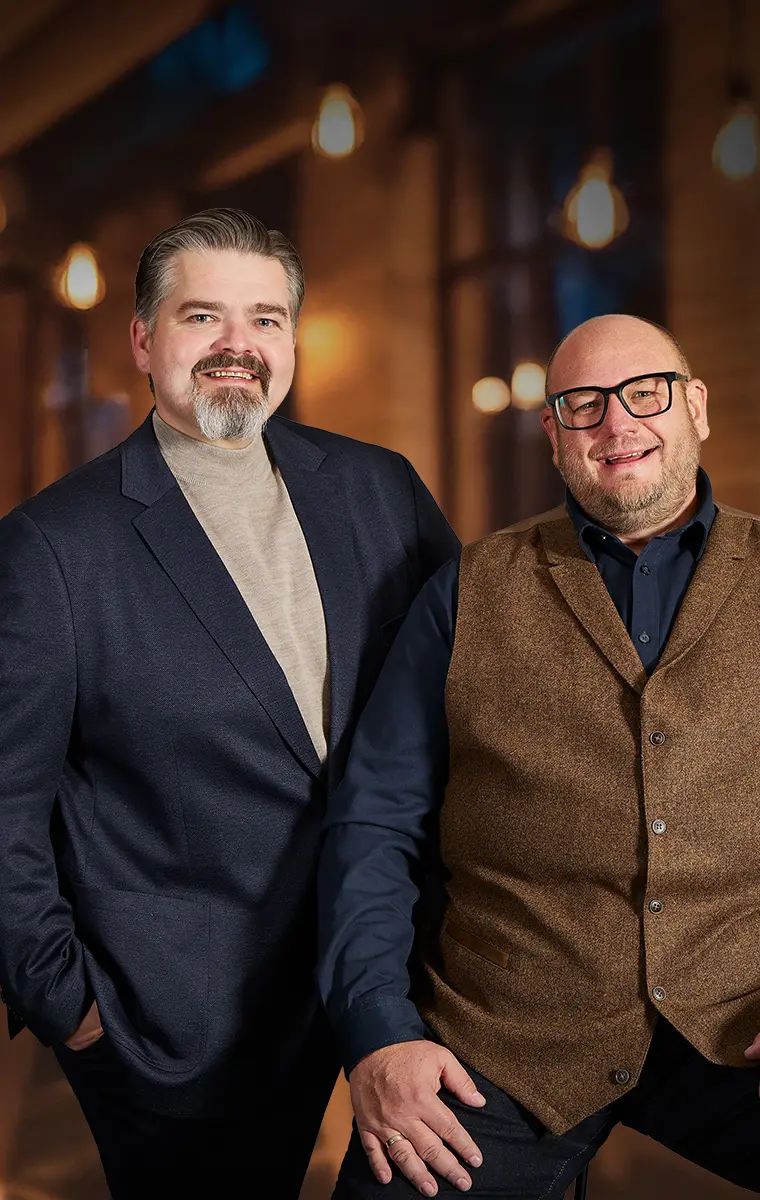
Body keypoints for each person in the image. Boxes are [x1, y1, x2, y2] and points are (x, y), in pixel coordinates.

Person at [0, 207, 459, 1199]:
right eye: (202, 316)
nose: (237, 346)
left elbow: (471, 692)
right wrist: (66, 1000)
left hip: (397, 964)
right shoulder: (53, 548)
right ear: (143, 340)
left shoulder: (381, 490)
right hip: (182, 1015)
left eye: (265, 319)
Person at [318, 313, 760, 1198]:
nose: (617, 422)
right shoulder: (466, 592)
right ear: (554, 435)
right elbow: (373, 823)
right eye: (583, 404)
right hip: (505, 1037)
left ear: (696, 407)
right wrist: (378, 1032)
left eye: (645, 394)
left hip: (734, 1019)